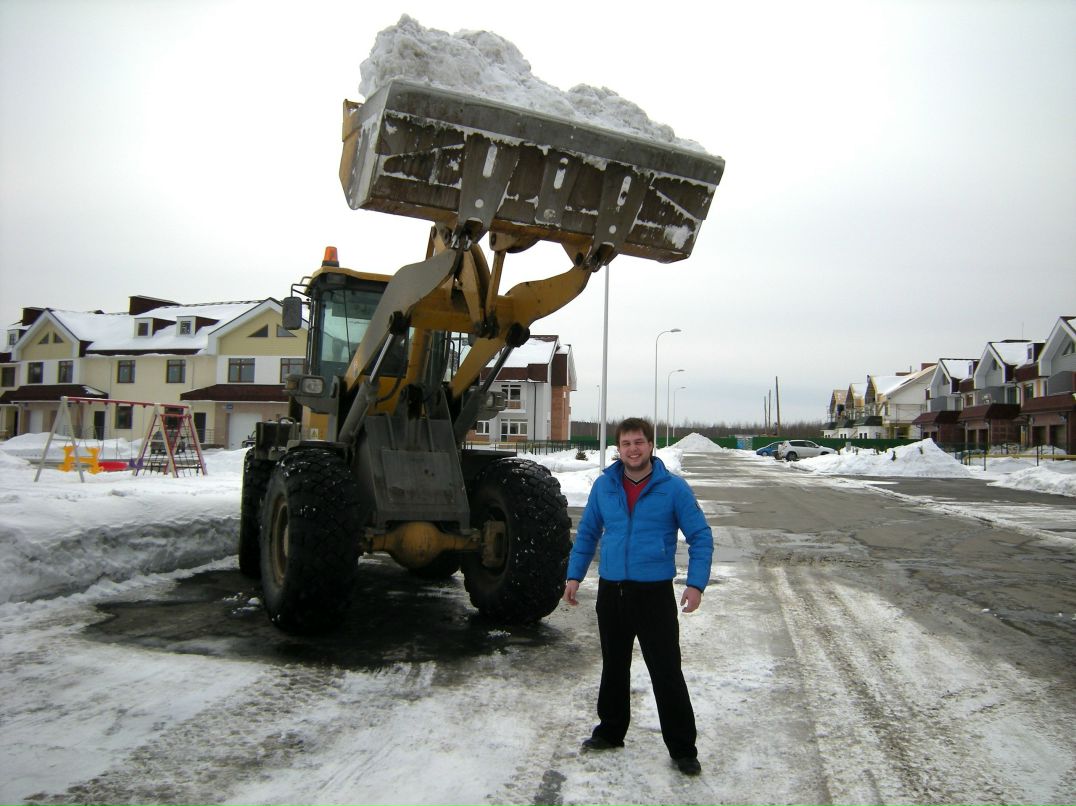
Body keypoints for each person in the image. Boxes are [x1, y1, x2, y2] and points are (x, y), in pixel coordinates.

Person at [563, 417, 714, 777]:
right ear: (619, 448)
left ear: (650, 446)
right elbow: (586, 534)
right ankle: (611, 731)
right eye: (627, 443)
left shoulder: (672, 489)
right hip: (612, 592)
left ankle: (682, 748)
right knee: (614, 666)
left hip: (654, 595)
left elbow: (701, 536)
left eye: (639, 442)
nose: (633, 449)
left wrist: (696, 584)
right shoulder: (604, 486)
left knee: (665, 671)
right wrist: (574, 576)